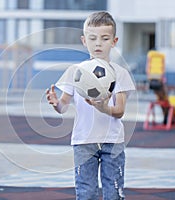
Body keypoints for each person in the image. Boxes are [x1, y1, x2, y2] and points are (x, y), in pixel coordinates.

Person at [46, 11, 135, 200]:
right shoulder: (74, 72)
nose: (98, 43)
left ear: (114, 41)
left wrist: (103, 108)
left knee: (114, 193)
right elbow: (63, 107)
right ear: (84, 40)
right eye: (92, 38)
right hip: (83, 142)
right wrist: (56, 104)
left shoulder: (120, 74)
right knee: (86, 192)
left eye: (104, 38)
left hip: (113, 142)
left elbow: (119, 111)